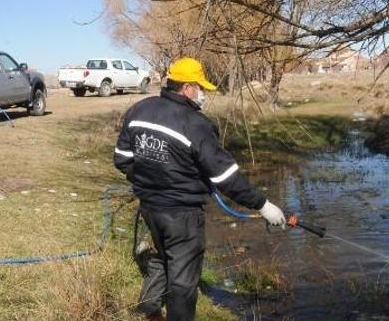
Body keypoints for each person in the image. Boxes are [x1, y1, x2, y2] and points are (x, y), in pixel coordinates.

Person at [113, 57, 286, 321]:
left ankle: (149, 309)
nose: (202, 94)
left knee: (164, 256)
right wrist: (263, 205)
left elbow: (123, 160)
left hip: (149, 206)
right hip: (183, 216)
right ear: (187, 87)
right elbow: (227, 178)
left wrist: (152, 183)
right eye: (200, 87)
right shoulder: (197, 125)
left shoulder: (139, 110)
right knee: (183, 283)